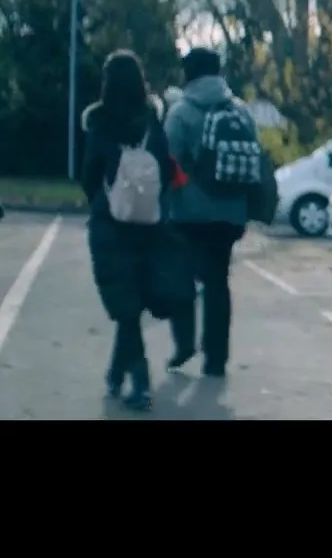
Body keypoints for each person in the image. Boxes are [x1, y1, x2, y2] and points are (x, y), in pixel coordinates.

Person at [81, 49, 186, 411]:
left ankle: (140, 382)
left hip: (110, 224)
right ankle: (115, 373)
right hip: (149, 224)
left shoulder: (99, 122)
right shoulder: (152, 121)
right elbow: (166, 169)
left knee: (124, 305)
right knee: (132, 303)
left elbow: (89, 174)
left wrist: (103, 199)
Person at [163, 46, 267, 378]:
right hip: (231, 214)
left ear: (189, 73)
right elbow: (255, 157)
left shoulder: (180, 112)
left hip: (188, 215)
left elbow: (169, 162)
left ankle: (184, 344)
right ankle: (216, 359)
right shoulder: (241, 111)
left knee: (181, 278)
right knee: (217, 283)